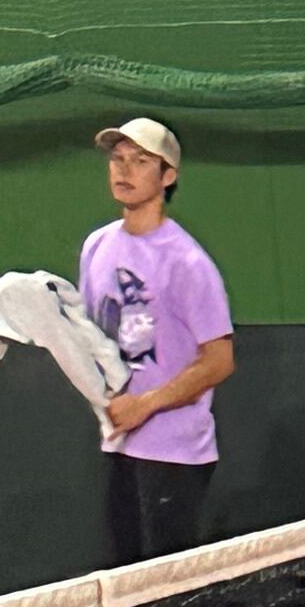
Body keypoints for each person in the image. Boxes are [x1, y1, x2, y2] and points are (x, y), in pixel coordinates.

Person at [80, 117, 235, 561]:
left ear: (167, 176)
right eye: (118, 158)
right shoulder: (97, 247)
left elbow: (219, 361)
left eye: (141, 160)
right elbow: (93, 337)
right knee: (122, 584)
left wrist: (144, 405)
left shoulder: (188, 263)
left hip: (176, 457)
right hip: (117, 446)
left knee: (169, 590)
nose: (124, 169)